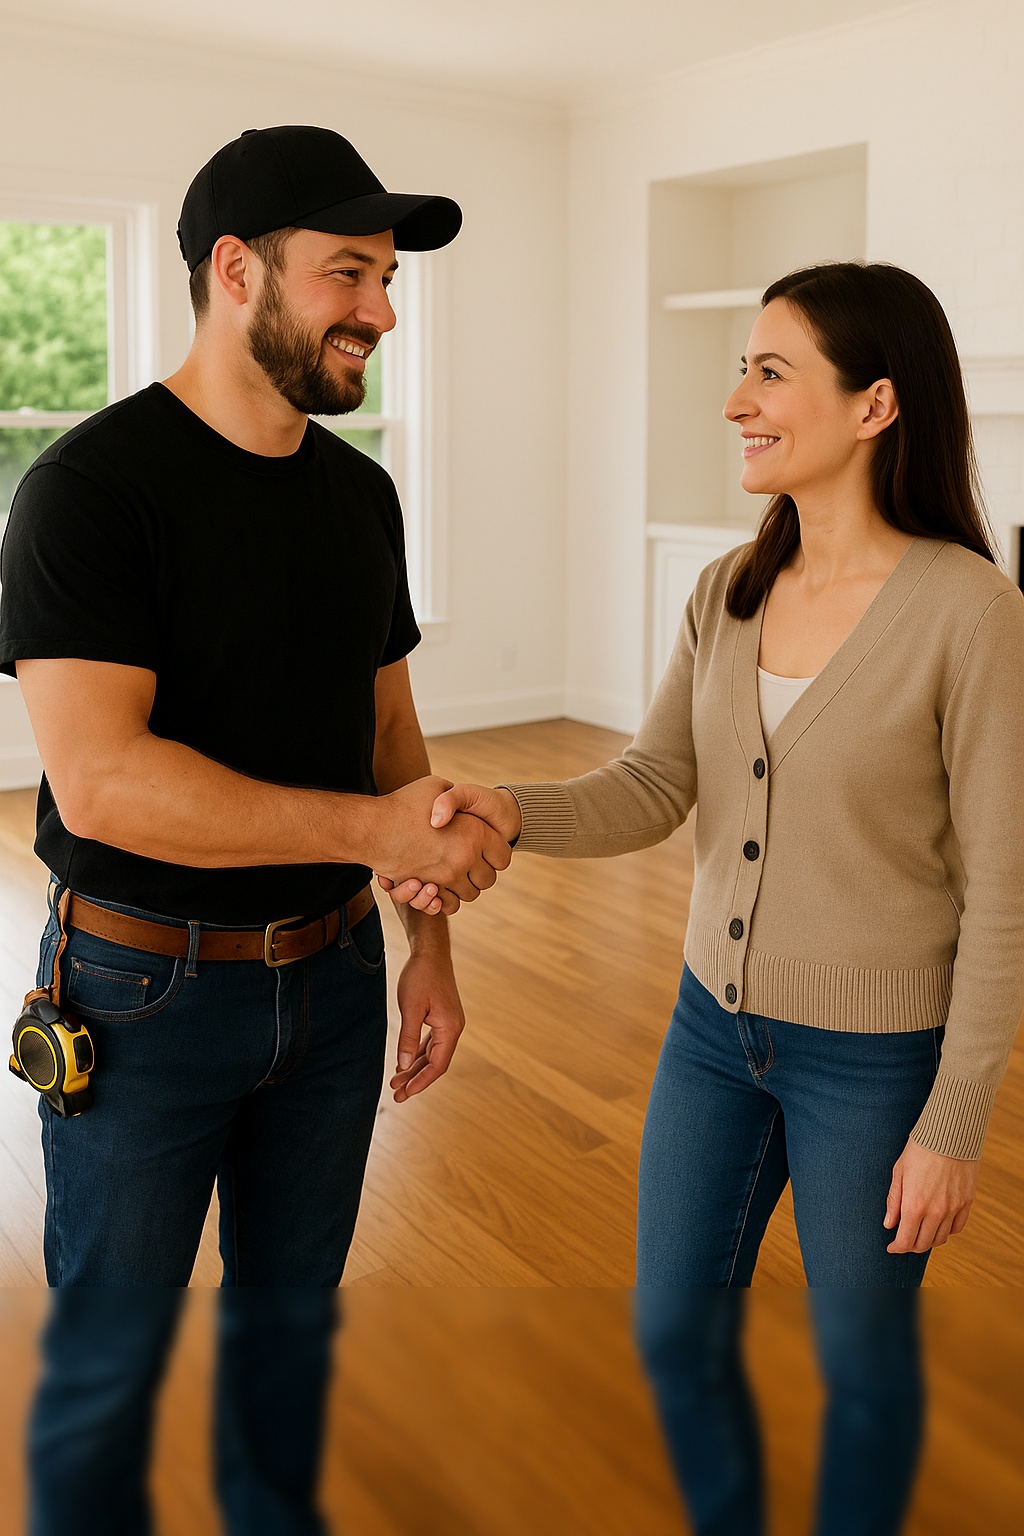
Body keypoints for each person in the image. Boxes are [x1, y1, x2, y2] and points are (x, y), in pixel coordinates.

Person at [386, 262, 1024, 1532]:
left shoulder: (973, 614)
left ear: (876, 404)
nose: (734, 399)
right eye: (739, 367)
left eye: (768, 371)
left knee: (859, 1370)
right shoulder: (727, 587)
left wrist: (953, 1122)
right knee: (674, 1334)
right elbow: (654, 785)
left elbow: (1005, 893)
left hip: (875, 1062)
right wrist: (514, 807)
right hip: (710, 1035)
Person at [0, 124, 509, 1533]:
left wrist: (429, 950)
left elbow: (391, 746)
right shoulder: (87, 495)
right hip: (140, 997)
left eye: (389, 277)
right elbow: (103, 784)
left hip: (338, 986)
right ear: (236, 270)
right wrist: (382, 830)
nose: (383, 311)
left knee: (287, 1354)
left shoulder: (360, 496)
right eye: (350, 271)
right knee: (109, 1371)